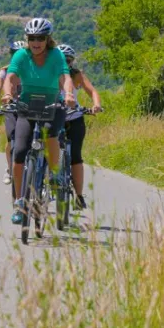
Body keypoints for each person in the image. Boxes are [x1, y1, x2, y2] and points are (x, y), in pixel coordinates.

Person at [2, 18, 76, 224]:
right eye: (32, 38)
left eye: (40, 38)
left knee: (51, 133)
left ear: (47, 39)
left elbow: (65, 77)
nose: (36, 42)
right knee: (19, 151)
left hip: (52, 104)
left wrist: (69, 94)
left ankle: (53, 175)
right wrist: (7, 94)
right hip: (27, 106)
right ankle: (19, 201)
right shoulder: (21, 55)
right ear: (27, 39)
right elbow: (10, 77)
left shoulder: (56, 55)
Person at [57, 44, 102, 210]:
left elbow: (93, 91)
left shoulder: (77, 75)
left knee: (75, 157)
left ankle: (79, 196)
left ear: (72, 61)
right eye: (61, 60)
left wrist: (96, 105)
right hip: (55, 117)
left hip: (74, 118)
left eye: (68, 60)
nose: (65, 63)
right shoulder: (50, 72)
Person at [0, 40, 27, 184]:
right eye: (15, 53)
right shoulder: (5, 71)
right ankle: (10, 169)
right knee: (11, 137)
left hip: (27, 108)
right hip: (11, 107)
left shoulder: (31, 70)